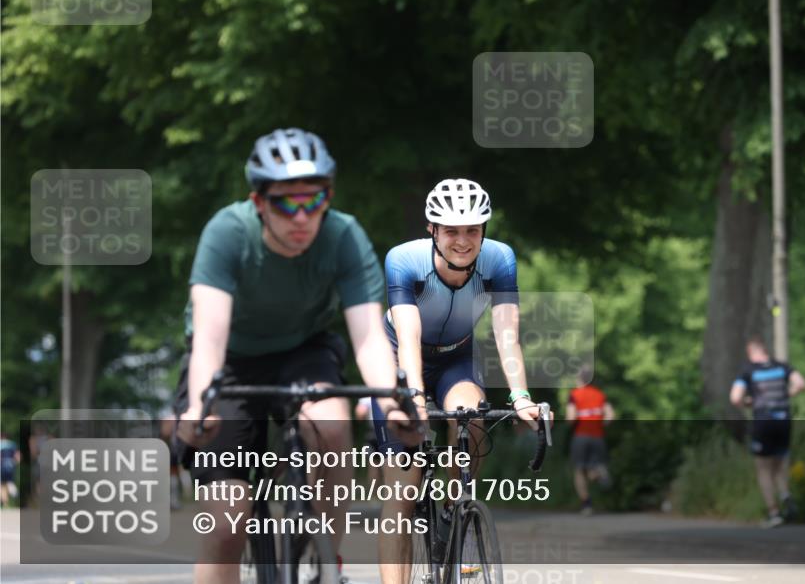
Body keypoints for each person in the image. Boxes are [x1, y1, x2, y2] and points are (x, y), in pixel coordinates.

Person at [173, 128, 418, 584]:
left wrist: (389, 402)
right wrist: (196, 407)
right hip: (230, 360)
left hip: (304, 350)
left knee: (330, 422)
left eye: (315, 200)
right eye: (287, 203)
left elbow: (367, 336)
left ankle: (327, 560)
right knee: (226, 526)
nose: (302, 216)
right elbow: (208, 338)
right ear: (259, 201)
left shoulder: (344, 236)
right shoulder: (227, 233)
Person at [371, 178, 540, 584]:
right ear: (432, 229)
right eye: (451, 230)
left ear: (484, 229)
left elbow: (505, 334)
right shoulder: (404, 260)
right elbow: (408, 341)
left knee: (471, 416)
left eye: (472, 230)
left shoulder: (500, 259)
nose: (463, 241)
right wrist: (412, 400)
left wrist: (520, 396)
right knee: (402, 495)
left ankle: (456, 512)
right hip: (400, 357)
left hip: (456, 359)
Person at [730, 336, 805, 528]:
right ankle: (786, 496)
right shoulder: (782, 366)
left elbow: (735, 397)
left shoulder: (748, 371)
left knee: (763, 468)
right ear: (765, 350)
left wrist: (749, 403)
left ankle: (774, 513)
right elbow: (801, 384)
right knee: (780, 465)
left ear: (750, 353)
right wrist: (785, 395)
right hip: (784, 420)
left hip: (763, 421)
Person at [566, 366, 614, 515]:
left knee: (580, 471)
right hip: (598, 436)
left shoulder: (575, 394)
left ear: (579, 378)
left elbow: (571, 417)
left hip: (581, 436)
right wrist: (600, 423)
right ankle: (598, 473)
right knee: (593, 467)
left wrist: (571, 423)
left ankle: (586, 505)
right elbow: (610, 415)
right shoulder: (600, 395)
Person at [0, 432, 19, 508]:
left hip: (2, 466)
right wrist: (14, 463)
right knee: (9, 482)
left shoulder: (0, 444)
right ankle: (14, 493)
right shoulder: (12, 444)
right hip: (11, 466)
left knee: (2, 485)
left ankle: (6, 502)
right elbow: (18, 456)